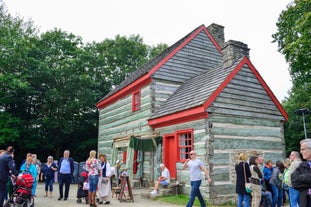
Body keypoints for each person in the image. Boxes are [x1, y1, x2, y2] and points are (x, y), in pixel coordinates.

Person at [291, 138, 311, 207]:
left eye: (303, 149)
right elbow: (294, 183)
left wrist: (302, 178)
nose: (301, 152)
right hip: (306, 201)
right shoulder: (302, 165)